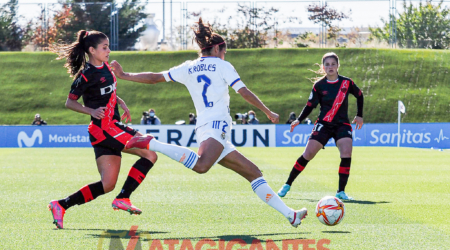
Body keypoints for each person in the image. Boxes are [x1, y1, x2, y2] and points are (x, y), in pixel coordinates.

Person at [111, 18, 307, 228]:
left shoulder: (189, 67)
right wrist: (268, 111)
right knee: (202, 166)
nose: (224, 55)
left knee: (254, 173)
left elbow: (154, 78)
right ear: (216, 49)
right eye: (224, 51)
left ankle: (290, 215)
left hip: (207, 126)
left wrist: (124, 75)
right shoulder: (222, 66)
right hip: (216, 125)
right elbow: (243, 91)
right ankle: (152, 143)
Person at [48, 30, 158, 229]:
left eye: (108, 46)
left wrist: (120, 102)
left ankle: (61, 205)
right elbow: (69, 102)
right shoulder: (86, 75)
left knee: (107, 185)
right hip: (105, 129)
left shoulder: (107, 66)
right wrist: (89, 110)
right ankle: (123, 198)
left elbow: (109, 91)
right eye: (104, 47)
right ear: (92, 50)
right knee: (150, 153)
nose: (109, 50)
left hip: (110, 129)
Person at [277, 52, 364, 201]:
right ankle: (287, 184)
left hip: (342, 124)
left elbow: (360, 95)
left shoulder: (346, 83)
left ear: (338, 66)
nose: (330, 67)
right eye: (327, 64)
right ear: (323, 67)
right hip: (323, 124)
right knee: (308, 154)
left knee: (346, 152)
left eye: (333, 64)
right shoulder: (319, 86)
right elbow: (310, 105)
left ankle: (341, 192)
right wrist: (299, 120)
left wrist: (359, 115)